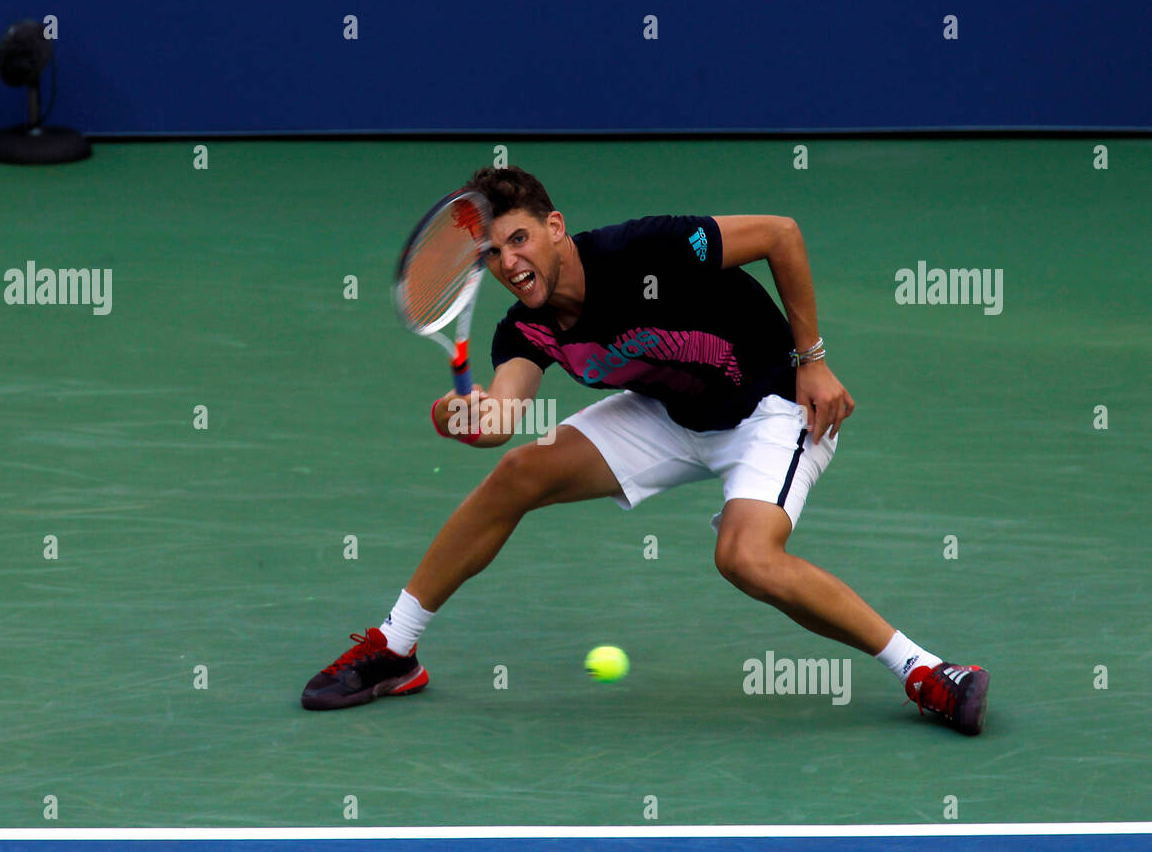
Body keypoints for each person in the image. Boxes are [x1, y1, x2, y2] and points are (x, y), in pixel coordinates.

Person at [301, 166, 989, 735]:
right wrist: (466, 417)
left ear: (555, 228)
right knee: (519, 471)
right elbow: (502, 416)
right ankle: (395, 647)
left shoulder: (648, 251)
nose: (510, 263)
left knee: (745, 557)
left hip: (772, 405)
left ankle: (925, 670)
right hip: (670, 413)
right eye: (493, 255)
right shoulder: (527, 329)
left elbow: (782, 235)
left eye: (518, 240)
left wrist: (812, 358)